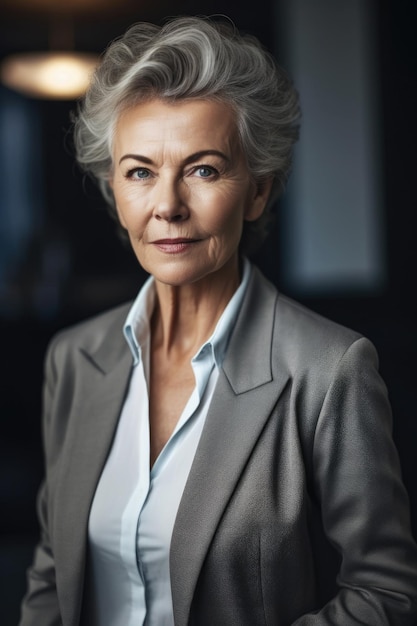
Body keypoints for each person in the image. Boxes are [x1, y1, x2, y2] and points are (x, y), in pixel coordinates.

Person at [20, 15, 417, 626]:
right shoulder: (72, 359)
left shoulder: (329, 370)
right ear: (114, 188)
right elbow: (52, 570)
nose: (168, 205)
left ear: (257, 190)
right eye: (140, 172)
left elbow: (386, 594)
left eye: (203, 169)